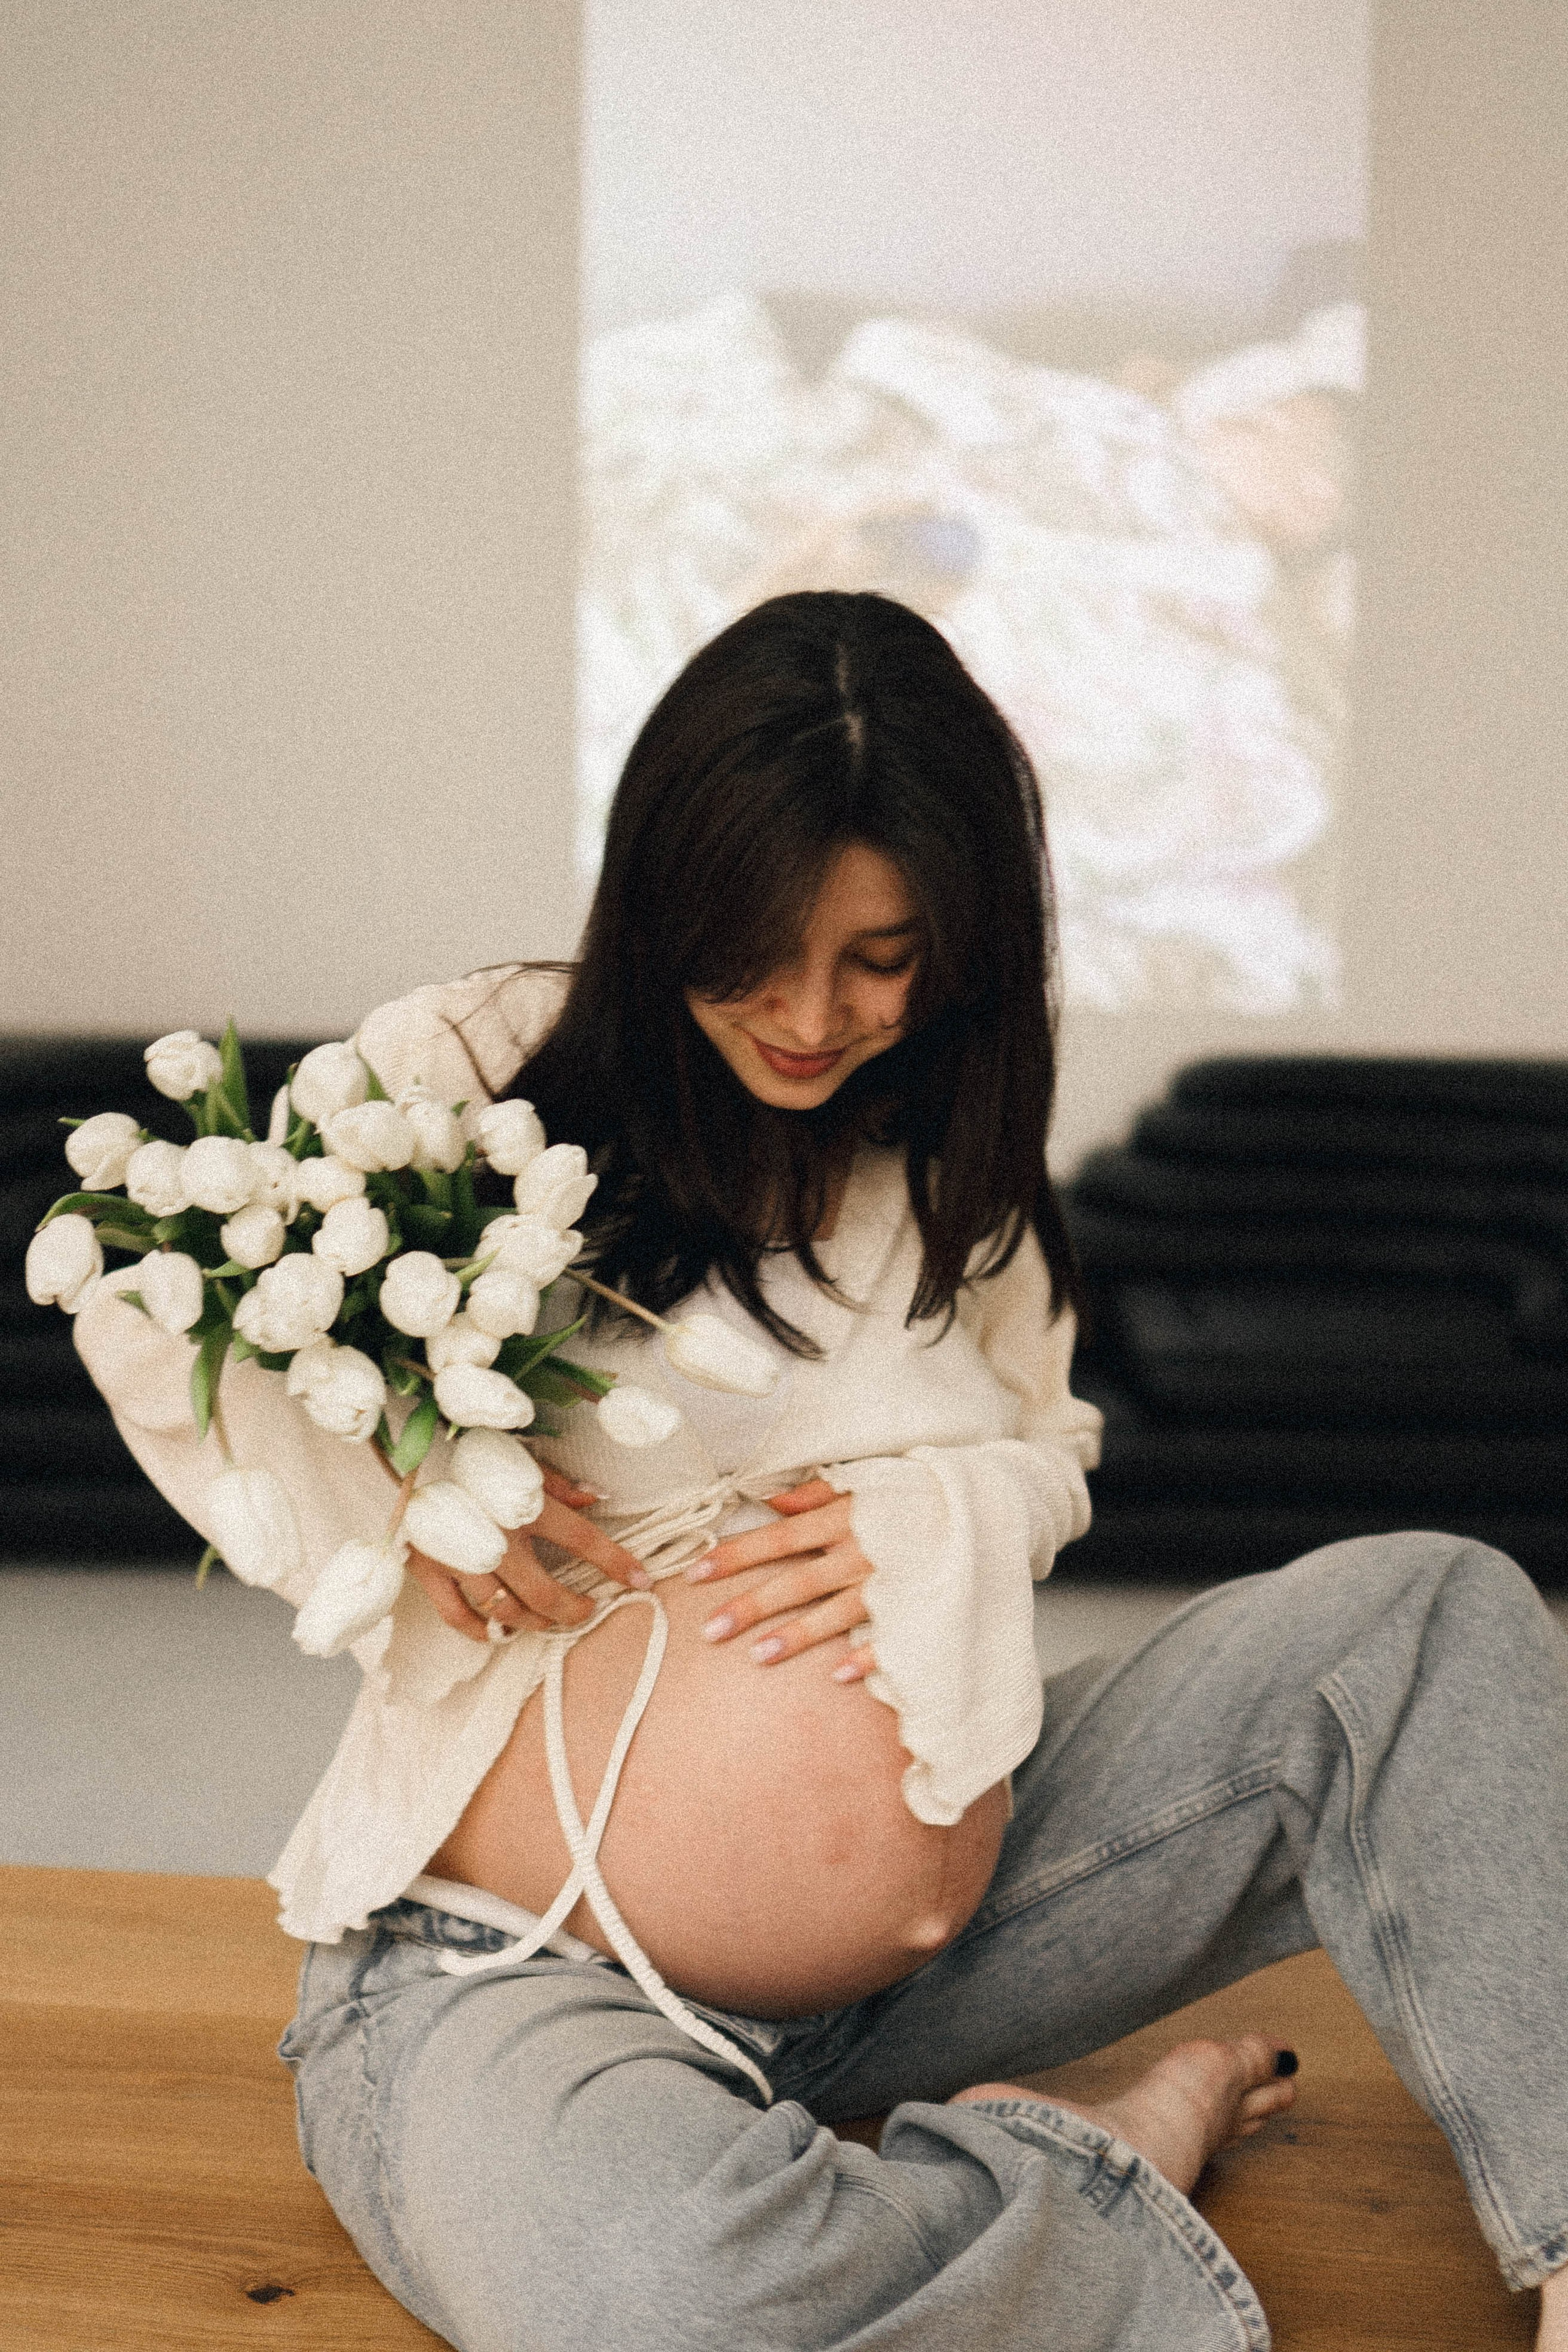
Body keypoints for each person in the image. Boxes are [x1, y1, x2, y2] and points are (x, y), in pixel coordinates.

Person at [77, 593, 1568, 2350]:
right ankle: (1084, 2166)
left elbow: (1052, 1451)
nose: (810, 1015)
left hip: (945, 1959)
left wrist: (944, 1508)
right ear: (667, 902)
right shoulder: (475, 1070)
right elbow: (158, 1316)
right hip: (520, 1971)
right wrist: (395, 1499)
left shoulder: (951, 1170)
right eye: (755, 953)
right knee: (662, 2293)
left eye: (881, 957)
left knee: (1431, 1618)